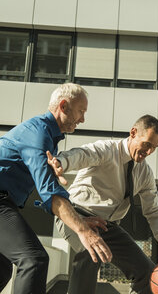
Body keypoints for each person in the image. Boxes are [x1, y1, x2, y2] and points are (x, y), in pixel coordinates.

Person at [47, 114, 158, 294]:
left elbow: (154, 211)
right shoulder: (107, 150)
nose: (149, 152)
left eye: (154, 147)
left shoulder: (144, 173)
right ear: (133, 133)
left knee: (147, 272)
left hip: (108, 227)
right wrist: (61, 162)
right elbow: (82, 154)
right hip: (76, 216)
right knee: (92, 251)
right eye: (147, 144)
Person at [0, 83, 112, 294]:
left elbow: (50, 195)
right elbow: (50, 192)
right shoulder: (38, 133)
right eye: (81, 111)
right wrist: (82, 230)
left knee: (2, 269)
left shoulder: (48, 139)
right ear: (64, 106)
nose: (83, 119)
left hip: (6, 201)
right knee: (34, 259)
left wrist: (77, 219)